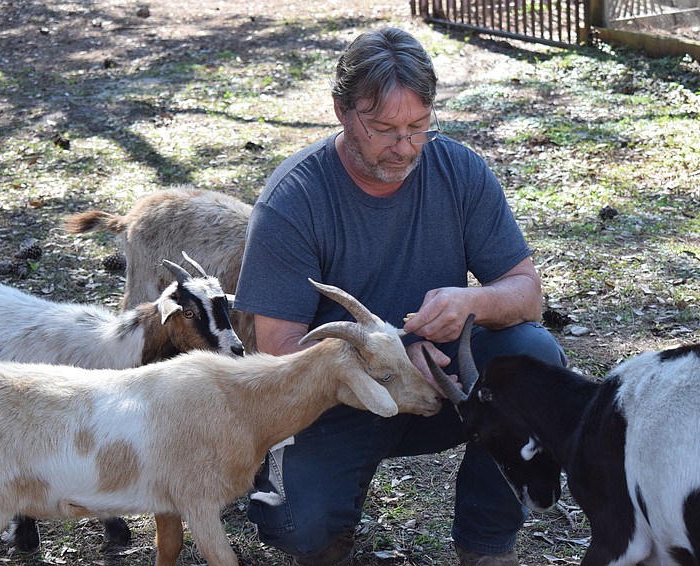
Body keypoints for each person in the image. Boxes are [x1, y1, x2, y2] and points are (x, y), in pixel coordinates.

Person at [233, 26, 567, 566]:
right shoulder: (293, 200)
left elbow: (527, 294)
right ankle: (330, 527)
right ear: (342, 111)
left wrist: (469, 303)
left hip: (445, 385)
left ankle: (486, 545)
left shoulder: (459, 170)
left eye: (419, 126)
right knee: (298, 526)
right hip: (331, 406)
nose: (405, 147)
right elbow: (277, 355)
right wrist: (395, 361)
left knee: (534, 355)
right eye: (384, 128)